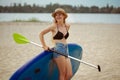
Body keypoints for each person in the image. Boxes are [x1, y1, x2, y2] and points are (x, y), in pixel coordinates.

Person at [39, 8, 72, 80]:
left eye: (60, 14)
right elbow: (41, 34)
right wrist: (44, 46)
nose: (58, 16)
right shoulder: (54, 26)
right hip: (58, 50)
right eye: (56, 15)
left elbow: (63, 38)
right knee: (62, 74)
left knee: (69, 74)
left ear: (64, 16)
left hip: (66, 49)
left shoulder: (67, 26)